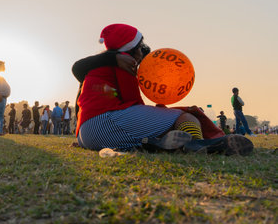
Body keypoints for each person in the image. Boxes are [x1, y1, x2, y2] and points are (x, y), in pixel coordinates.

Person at [72, 23, 253, 155]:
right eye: (141, 46)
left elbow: (80, 101)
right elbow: (133, 102)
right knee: (187, 115)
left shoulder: (96, 69)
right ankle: (198, 144)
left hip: (86, 135)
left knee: (163, 129)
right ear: (132, 49)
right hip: (106, 124)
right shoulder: (124, 63)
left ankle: (157, 144)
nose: (143, 50)